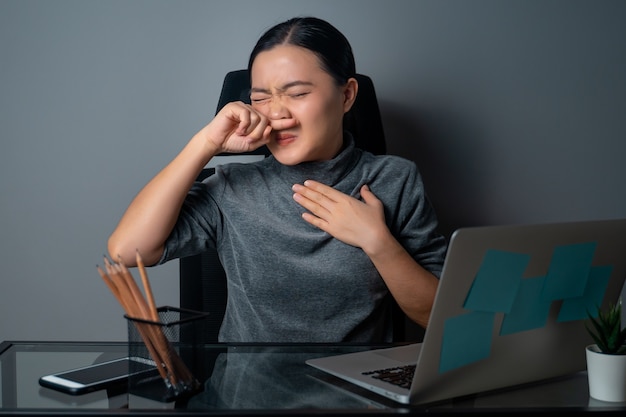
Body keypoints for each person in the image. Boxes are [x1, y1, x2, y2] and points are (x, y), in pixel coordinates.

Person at [108, 16, 447, 343]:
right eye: (260, 98)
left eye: (297, 94)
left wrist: (377, 241)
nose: (277, 113)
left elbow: (441, 319)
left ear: (347, 96)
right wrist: (205, 145)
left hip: (355, 397)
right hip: (249, 397)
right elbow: (126, 251)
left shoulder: (395, 180)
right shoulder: (232, 187)